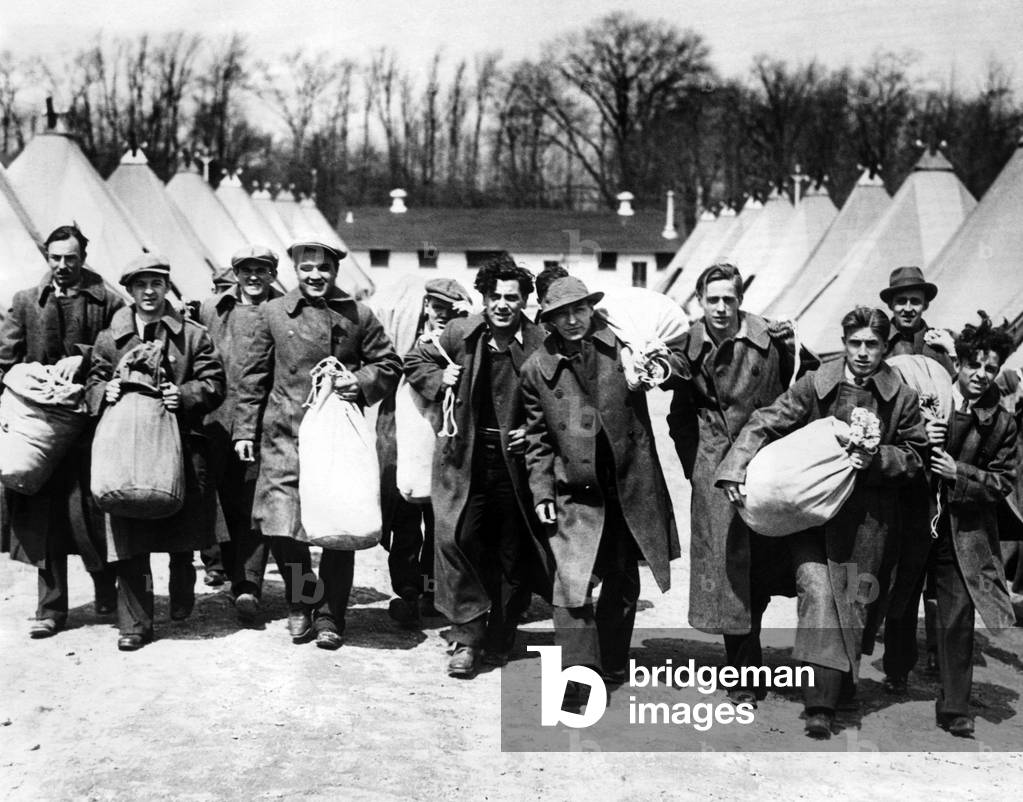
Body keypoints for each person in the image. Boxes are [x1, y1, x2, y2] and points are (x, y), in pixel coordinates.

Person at [717, 306, 928, 739]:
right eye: (856, 344)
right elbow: (767, 421)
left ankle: (840, 683)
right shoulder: (816, 383)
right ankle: (820, 704)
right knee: (819, 590)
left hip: (867, 524)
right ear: (844, 342)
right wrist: (734, 465)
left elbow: (918, 457)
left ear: (885, 347)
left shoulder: (901, 397)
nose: (863, 353)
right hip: (812, 518)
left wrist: (878, 459)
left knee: (854, 602)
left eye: (873, 344)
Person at [233, 240, 401, 650]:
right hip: (284, 435)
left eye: (323, 268)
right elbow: (252, 378)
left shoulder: (356, 314)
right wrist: (243, 432)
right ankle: (301, 602)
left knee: (337, 525)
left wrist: (357, 382)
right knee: (283, 528)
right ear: (294, 270)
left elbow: (389, 363)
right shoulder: (272, 313)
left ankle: (330, 616)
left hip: (335, 437)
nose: (315, 275)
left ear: (335, 272)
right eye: (307, 267)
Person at [666, 262, 818, 704]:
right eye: (711, 299)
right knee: (732, 577)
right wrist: (698, 464)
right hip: (718, 472)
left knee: (769, 566)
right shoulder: (688, 344)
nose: (720, 308)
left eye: (728, 299)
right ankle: (745, 673)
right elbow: (678, 413)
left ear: (740, 300)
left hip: (766, 464)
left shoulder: (770, 339)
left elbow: (806, 381)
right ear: (700, 302)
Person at [520, 276, 679, 687]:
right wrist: (541, 491)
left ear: (592, 309)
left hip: (628, 482)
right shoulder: (537, 367)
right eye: (561, 315)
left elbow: (675, 364)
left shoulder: (626, 345)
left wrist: (657, 366)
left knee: (623, 579)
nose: (572, 320)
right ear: (549, 320)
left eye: (579, 310)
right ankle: (578, 674)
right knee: (571, 582)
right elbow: (536, 439)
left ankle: (611, 659)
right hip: (574, 487)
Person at [403, 253, 551, 678]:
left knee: (511, 552)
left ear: (525, 301)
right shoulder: (461, 332)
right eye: (494, 296)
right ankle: (467, 635)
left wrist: (535, 432)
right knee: (459, 541)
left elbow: (564, 395)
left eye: (512, 297)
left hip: (518, 466)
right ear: (483, 298)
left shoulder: (541, 342)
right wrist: (438, 380)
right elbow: (415, 360)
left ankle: (499, 635)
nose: (502, 304)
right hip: (465, 458)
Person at [85, 254, 226, 651]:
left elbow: (215, 383)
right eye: (141, 285)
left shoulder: (193, 336)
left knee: (180, 527)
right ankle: (136, 623)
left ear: (167, 288)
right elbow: (92, 380)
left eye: (157, 284)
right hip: (127, 449)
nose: (149, 292)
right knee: (130, 532)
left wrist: (182, 394)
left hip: (179, 447)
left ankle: (183, 579)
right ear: (129, 290)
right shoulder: (110, 338)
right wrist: (103, 392)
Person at [0, 225, 122, 638]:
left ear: (83, 258)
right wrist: (28, 375)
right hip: (38, 429)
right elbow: (5, 361)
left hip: (89, 427)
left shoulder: (108, 301)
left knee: (90, 514)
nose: (63, 266)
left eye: (71, 258)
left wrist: (84, 359)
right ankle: (51, 608)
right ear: (46, 257)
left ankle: (106, 589)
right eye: (55, 258)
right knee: (42, 517)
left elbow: (119, 353)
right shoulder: (25, 303)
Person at [926, 315, 1018, 737]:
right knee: (877, 596)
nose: (981, 375)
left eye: (990, 368)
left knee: (958, 614)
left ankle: (955, 705)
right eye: (974, 365)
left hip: (961, 531)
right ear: (958, 363)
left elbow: (1002, 483)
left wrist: (957, 472)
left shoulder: (1002, 422)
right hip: (912, 521)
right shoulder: (928, 397)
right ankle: (852, 686)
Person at [197, 246, 283, 623]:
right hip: (217, 420)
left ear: (272, 274)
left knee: (256, 503)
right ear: (235, 273)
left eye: (261, 270)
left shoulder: (282, 310)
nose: (253, 277)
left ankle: (250, 585)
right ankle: (235, 577)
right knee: (227, 501)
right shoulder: (212, 309)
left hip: (267, 423)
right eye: (246, 270)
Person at [378, 278, 470, 628]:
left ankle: (433, 590)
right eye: (436, 306)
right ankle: (407, 588)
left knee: (439, 524)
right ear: (426, 307)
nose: (441, 314)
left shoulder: (460, 343)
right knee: (404, 523)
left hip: (444, 446)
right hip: (406, 446)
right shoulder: (408, 340)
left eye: (451, 309)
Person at [880, 265, 955, 689]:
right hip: (900, 471)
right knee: (901, 573)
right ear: (890, 305)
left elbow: (960, 400)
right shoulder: (882, 346)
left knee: (939, 572)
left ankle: (939, 657)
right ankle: (898, 665)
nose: (908, 308)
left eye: (915, 301)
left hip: (939, 475)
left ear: (925, 304)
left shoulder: (941, 348)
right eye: (901, 301)